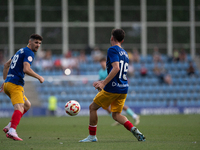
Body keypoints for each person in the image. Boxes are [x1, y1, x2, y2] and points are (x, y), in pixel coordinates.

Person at [79, 29, 145, 142]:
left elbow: (116, 68)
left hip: (113, 88)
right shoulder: (125, 53)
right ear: (122, 40)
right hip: (123, 88)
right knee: (116, 115)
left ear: (112, 38)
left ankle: (92, 137)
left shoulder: (112, 49)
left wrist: (104, 83)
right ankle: (133, 129)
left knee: (92, 108)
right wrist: (101, 81)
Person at [0, 34, 44, 141]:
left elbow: (6, 65)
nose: (38, 45)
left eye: (39, 43)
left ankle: (10, 125)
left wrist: (5, 81)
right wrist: (39, 77)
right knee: (19, 108)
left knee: (27, 105)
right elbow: (26, 69)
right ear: (30, 42)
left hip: (8, 84)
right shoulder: (29, 53)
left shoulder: (20, 51)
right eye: (36, 42)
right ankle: (12, 131)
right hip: (15, 84)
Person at [99, 57, 140, 126]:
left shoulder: (109, 69)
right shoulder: (100, 72)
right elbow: (100, 80)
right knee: (105, 106)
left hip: (113, 90)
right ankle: (118, 119)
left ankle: (134, 116)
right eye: (101, 62)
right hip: (106, 92)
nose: (102, 64)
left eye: (103, 62)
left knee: (118, 105)